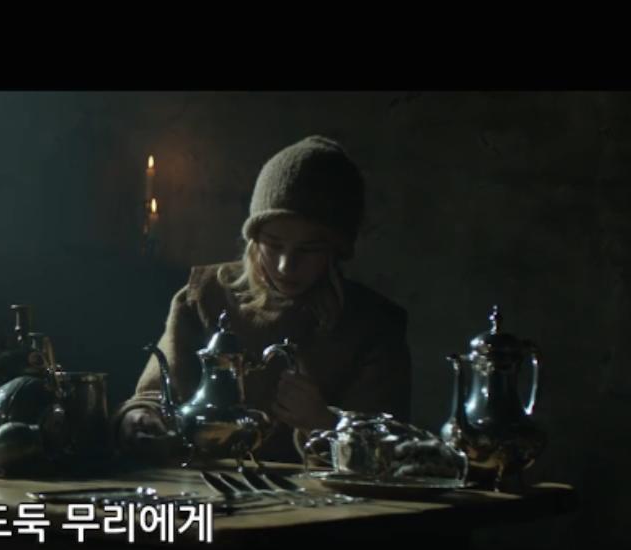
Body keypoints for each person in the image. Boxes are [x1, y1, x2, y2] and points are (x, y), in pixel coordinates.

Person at [114, 136, 411, 463]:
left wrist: (324, 424)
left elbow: (390, 454)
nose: (285, 266)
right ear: (254, 238)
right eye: (273, 244)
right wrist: (141, 418)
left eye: (308, 249)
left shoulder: (372, 325)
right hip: (202, 485)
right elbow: (155, 394)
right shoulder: (205, 296)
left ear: (336, 250)